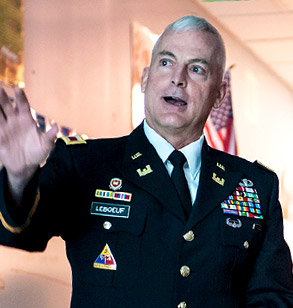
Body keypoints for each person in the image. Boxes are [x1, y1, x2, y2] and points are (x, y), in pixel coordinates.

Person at [0, 15, 293, 308]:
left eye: (197, 68)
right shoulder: (84, 163)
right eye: (166, 62)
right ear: (145, 79)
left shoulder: (255, 185)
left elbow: (273, 297)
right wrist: (18, 177)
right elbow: (23, 233)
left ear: (219, 95)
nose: (178, 78)